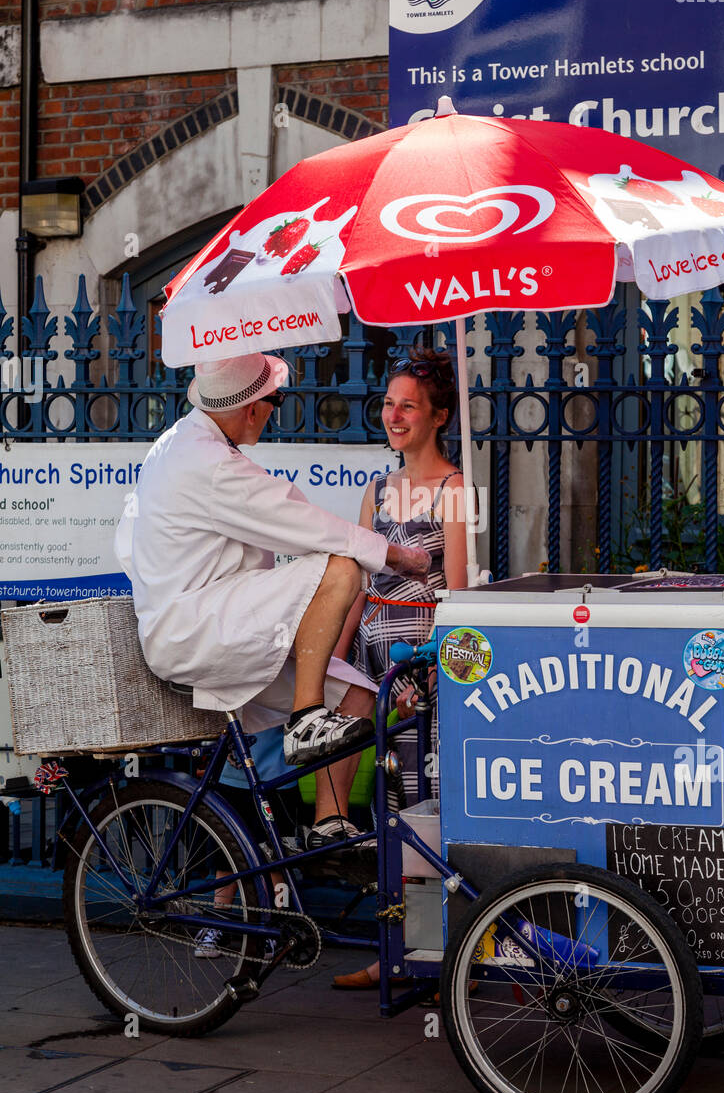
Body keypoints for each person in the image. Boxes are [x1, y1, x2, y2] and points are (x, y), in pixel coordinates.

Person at [114, 353, 431, 853]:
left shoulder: (182, 445)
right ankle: (306, 719)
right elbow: (305, 526)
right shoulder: (206, 462)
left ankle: (329, 825)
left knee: (356, 696)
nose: (273, 412)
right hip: (198, 627)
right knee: (340, 567)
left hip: (210, 622)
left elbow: (128, 543)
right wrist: (393, 555)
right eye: (274, 402)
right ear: (252, 408)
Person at [331, 347, 469, 990]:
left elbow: (460, 592)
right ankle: (393, 949)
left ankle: (439, 953)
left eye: (407, 405)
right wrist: (336, 655)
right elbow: (357, 584)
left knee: (424, 804)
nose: (393, 414)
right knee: (386, 805)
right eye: (388, 403)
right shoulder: (375, 489)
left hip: (422, 663)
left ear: (438, 416)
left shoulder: (456, 489)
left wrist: (430, 673)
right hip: (372, 658)